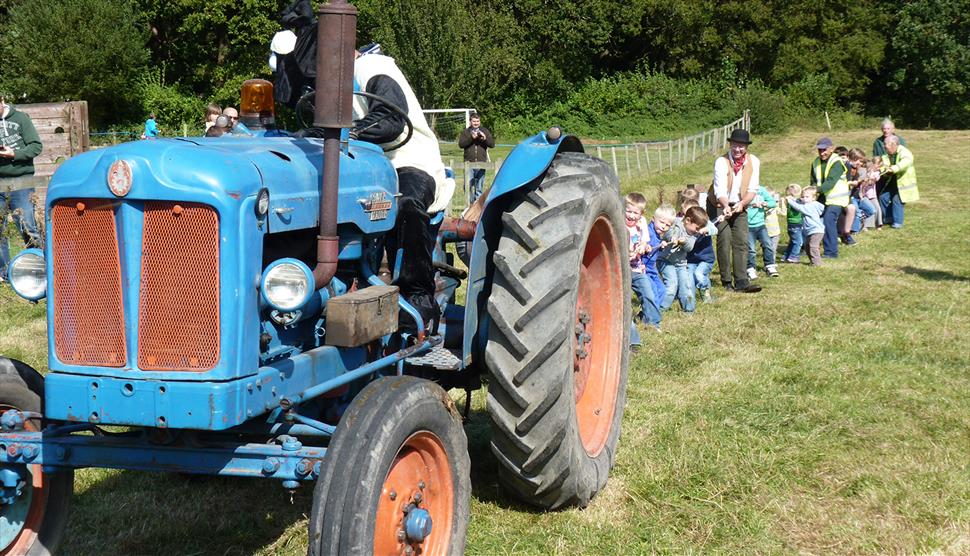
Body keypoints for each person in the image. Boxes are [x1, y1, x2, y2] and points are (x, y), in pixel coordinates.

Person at [351, 45, 453, 331]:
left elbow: (390, 118)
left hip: (407, 160)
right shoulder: (325, 86)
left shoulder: (371, 67)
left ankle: (417, 295)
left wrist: (352, 131)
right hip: (363, 166)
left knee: (406, 201)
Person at [707, 128, 761, 293]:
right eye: (735, 145)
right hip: (718, 204)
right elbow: (720, 190)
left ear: (746, 147)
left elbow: (752, 189)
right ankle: (726, 281)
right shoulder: (721, 162)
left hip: (740, 204)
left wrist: (742, 204)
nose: (738, 149)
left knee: (741, 241)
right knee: (724, 240)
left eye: (741, 146)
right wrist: (726, 206)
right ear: (730, 145)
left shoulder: (754, 162)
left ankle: (742, 281)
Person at [0, 94, 43, 279]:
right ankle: (4, 273)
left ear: (1, 101)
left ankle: (40, 268)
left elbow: (36, 147)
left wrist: (14, 154)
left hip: (21, 181)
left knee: (28, 226)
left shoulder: (21, 119)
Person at [624, 193, 661, 345]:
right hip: (623, 267)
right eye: (629, 211)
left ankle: (653, 322)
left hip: (638, 268)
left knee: (648, 294)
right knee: (625, 299)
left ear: (642, 213)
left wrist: (643, 247)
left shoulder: (642, 223)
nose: (631, 216)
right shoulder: (620, 223)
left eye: (635, 213)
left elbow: (645, 242)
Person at [657, 205, 706, 313]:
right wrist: (673, 237)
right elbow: (668, 234)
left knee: (686, 285)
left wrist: (684, 242)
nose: (698, 231)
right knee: (672, 285)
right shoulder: (676, 224)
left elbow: (689, 248)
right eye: (697, 228)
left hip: (681, 264)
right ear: (688, 220)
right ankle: (660, 309)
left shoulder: (693, 235)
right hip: (666, 261)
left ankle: (689, 310)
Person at [809, 137, 850, 258]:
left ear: (831, 148)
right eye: (820, 150)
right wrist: (811, 192)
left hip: (837, 198)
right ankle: (804, 247)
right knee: (809, 216)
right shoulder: (815, 162)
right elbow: (813, 181)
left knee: (828, 220)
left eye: (824, 150)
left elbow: (830, 182)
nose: (822, 153)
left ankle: (831, 252)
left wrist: (815, 190)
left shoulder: (836, 162)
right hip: (823, 196)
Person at [878, 135, 918, 229]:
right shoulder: (887, 154)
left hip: (904, 183)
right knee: (883, 197)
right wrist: (884, 170)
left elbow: (906, 162)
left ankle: (897, 223)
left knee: (897, 200)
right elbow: (884, 164)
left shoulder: (905, 152)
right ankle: (888, 219)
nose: (884, 146)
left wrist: (893, 169)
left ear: (893, 144)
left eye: (885, 144)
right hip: (893, 181)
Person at [683, 199, 718, 304]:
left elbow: (715, 230)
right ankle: (690, 299)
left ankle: (705, 292)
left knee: (699, 274)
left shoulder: (705, 223)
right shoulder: (687, 226)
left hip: (705, 259)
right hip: (690, 259)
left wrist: (706, 230)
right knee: (689, 278)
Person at [457, 114, 495, 204]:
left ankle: (477, 207)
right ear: (470, 121)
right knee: (468, 186)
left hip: (481, 163)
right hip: (469, 164)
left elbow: (492, 144)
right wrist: (471, 138)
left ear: (480, 122)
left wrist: (485, 138)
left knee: (479, 187)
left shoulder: (485, 131)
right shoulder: (466, 132)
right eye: (474, 121)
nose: (476, 123)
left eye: (477, 121)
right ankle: (470, 205)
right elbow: (461, 145)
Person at [745, 184, 778, 279]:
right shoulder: (743, 190)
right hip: (748, 226)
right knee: (751, 249)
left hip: (760, 225)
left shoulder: (761, 190)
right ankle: (750, 268)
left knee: (767, 244)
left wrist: (764, 204)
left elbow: (773, 202)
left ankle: (770, 266)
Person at [786, 186, 825, 266]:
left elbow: (800, 208)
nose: (804, 198)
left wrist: (789, 201)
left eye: (807, 197)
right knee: (807, 246)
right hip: (809, 231)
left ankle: (817, 263)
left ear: (813, 198)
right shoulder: (809, 204)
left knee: (813, 246)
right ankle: (812, 261)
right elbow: (800, 204)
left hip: (816, 230)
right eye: (803, 197)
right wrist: (794, 199)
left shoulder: (811, 206)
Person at [780, 184, 804, 263]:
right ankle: (793, 256)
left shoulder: (786, 201)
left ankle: (786, 256)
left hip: (790, 224)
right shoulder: (796, 202)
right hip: (797, 224)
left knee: (793, 241)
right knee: (798, 242)